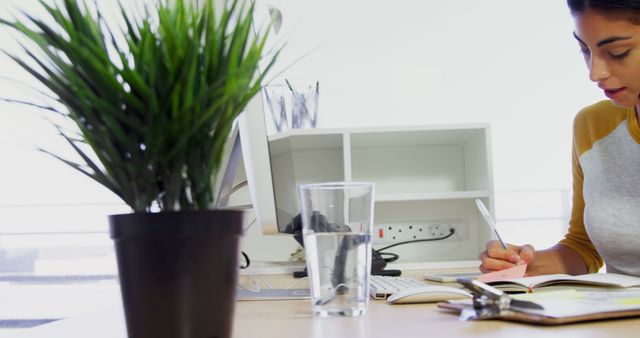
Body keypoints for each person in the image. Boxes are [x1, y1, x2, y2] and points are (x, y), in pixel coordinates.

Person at [480, 0, 640, 277]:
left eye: (618, 52)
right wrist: (523, 264)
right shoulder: (594, 126)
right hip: (616, 317)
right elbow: (583, 248)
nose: (595, 73)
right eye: (584, 50)